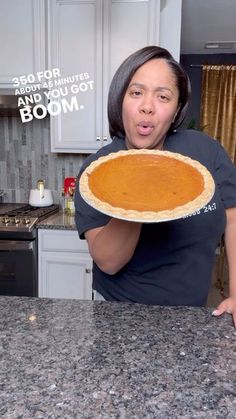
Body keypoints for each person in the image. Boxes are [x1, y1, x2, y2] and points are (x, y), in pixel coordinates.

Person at [75, 45, 236, 327]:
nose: (147, 106)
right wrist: (139, 184)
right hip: (118, 317)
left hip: (192, 316)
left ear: (175, 111)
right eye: (136, 92)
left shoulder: (205, 151)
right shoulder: (97, 171)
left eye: (163, 96)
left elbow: (233, 218)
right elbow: (109, 262)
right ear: (120, 100)